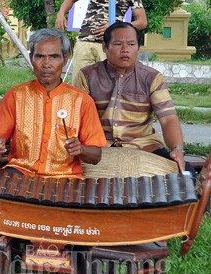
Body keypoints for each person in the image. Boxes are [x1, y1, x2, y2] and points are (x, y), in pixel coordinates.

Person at [0, 28, 107, 178]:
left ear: (65, 59)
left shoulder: (82, 101)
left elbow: (96, 156)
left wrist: (80, 149)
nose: (46, 64)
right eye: (40, 57)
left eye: (54, 57)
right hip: (20, 172)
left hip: (65, 177)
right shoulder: (15, 95)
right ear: (31, 59)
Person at [74, 21, 186, 172]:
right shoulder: (87, 75)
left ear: (138, 48)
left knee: (186, 176)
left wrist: (178, 149)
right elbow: (75, 118)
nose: (125, 50)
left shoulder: (152, 77)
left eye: (131, 44)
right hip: (98, 147)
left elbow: (168, 119)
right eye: (118, 44)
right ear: (105, 47)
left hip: (145, 146)